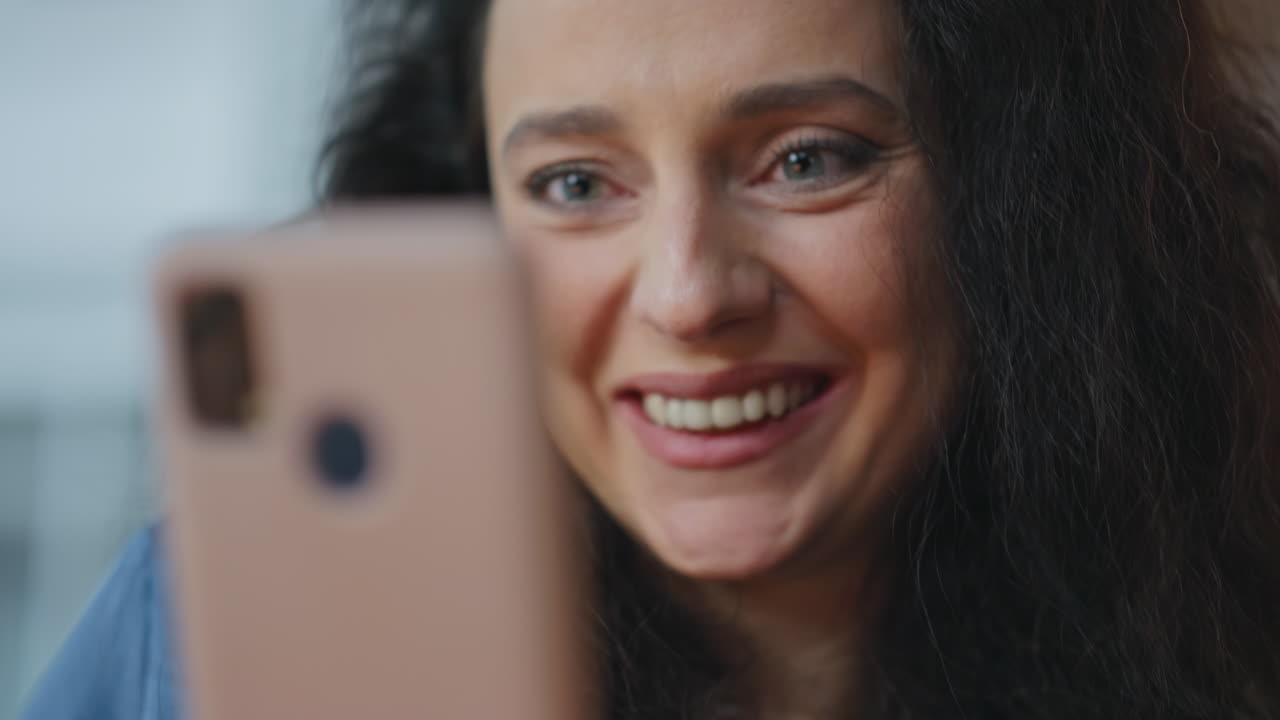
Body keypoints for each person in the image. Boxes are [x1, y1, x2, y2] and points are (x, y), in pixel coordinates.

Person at [21, 0, 1280, 717]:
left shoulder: (1234, 623)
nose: (686, 295)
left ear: (1020, 200)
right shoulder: (201, 642)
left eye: (805, 160)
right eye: (575, 184)